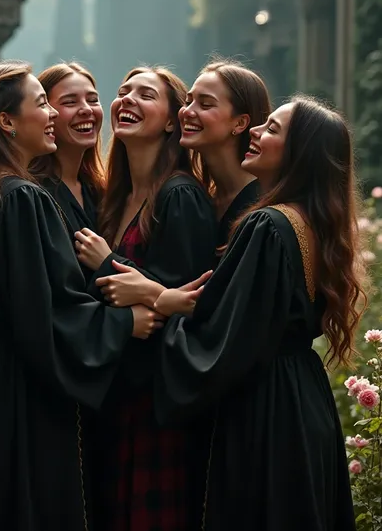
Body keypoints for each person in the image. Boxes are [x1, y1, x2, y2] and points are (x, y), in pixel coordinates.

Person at [0, 61, 161, 531]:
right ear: (6, 121)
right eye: (42, 104)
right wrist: (124, 323)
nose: (52, 114)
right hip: (19, 395)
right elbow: (45, 313)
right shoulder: (22, 198)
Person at [154, 95, 365, 531]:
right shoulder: (314, 221)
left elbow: (222, 341)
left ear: (298, 155)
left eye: (270, 129)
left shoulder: (267, 225)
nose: (254, 132)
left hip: (266, 412)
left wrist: (160, 311)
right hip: (305, 399)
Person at [74, 66, 216, 531]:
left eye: (145, 94)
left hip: (154, 409)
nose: (126, 100)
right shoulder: (113, 198)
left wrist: (106, 261)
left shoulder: (180, 197)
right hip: (113, 397)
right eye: (122, 92)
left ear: (173, 120)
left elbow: (176, 310)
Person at [180, 56, 271, 254]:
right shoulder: (202, 200)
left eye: (205, 105)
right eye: (188, 101)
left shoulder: (263, 209)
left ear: (239, 123)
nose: (187, 111)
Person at [31, 62, 104, 281]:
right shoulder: (32, 193)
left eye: (92, 100)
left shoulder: (100, 190)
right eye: (70, 102)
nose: (86, 109)